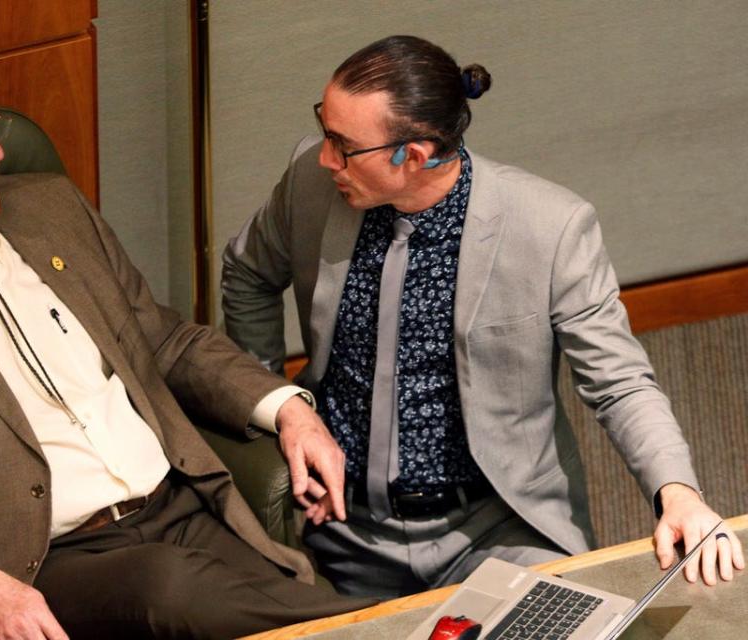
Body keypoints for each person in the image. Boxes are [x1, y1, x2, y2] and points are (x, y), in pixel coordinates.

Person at [0, 39, 376, 639]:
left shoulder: (50, 208)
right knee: (186, 593)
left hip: (181, 507)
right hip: (48, 559)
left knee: (292, 601)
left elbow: (164, 340)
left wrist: (289, 411)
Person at [221, 35, 744, 598]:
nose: (326, 158)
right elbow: (247, 274)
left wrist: (679, 490)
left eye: (343, 146)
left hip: (499, 527)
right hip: (341, 522)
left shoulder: (551, 228)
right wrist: (282, 411)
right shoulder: (311, 182)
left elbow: (619, 382)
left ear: (414, 155)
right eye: (325, 129)